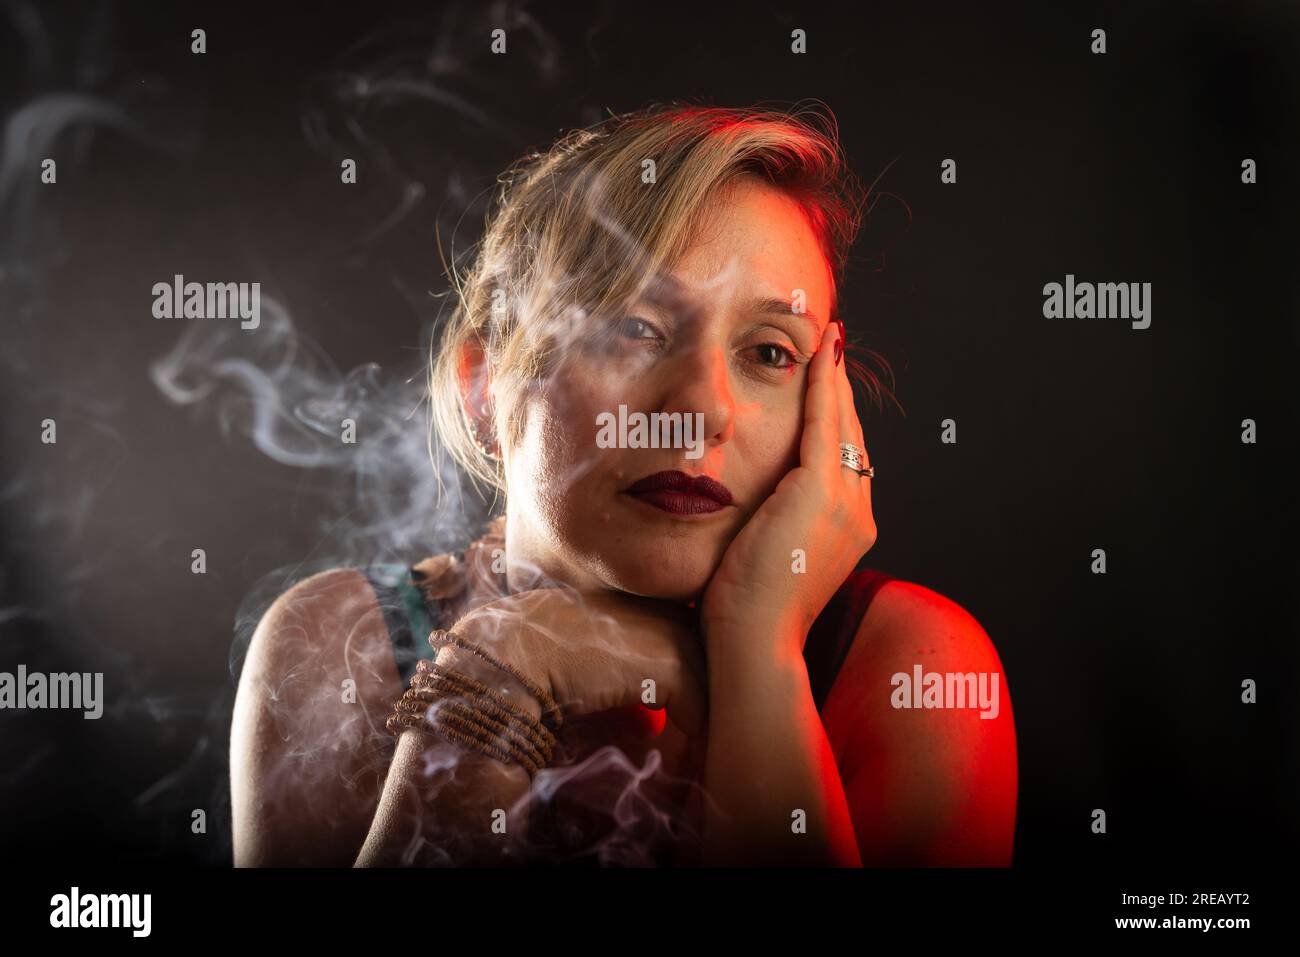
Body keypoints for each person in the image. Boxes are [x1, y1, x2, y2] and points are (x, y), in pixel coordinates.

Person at [229, 102, 1018, 867]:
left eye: (771, 352)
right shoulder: (342, 643)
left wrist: (757, 648)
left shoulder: (920, 667)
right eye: (634, 328)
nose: (701, 410)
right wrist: (487, 686)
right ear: (485, 388)